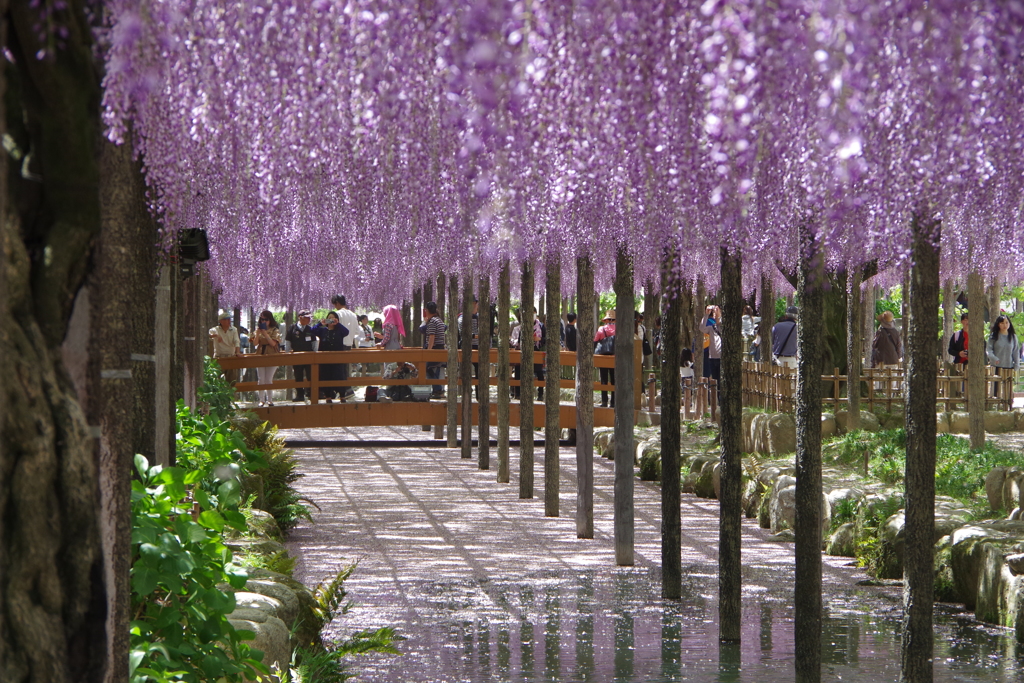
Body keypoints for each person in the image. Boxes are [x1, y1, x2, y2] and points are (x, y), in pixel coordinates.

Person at [313, 311, 348, 402]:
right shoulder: (322, 330)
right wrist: (320, 323)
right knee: (326, 376)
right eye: (329, 318)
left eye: (333, 318)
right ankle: (328, 396)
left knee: (340, 376)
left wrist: (338, 324)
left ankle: (342, 396)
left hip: (337, 358)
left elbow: (346, 332)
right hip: (325, 358)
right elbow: (312, 331)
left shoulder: (339, 330)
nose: (331, 320)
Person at [331, 295, 361, 399]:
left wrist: (323, 322)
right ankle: (344, 390)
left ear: (337, 303)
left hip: (338, 344)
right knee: (344, 368)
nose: (334, 307)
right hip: (349, 344)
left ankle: (346, 390)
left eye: (334, 304)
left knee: (338, 369)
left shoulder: (337, 314)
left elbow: (329, 326)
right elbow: (357, 332)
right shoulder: (353, 315)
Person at [285, 309, 316, 403]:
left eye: (309, 318)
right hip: (297, 356)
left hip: (309, 356)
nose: (309, 319)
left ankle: (311, 394)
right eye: (307, 317)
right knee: (298, 376)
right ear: (300, 317)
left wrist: (315, 353)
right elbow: (288, 341)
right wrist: (287, 353)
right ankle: (300, 395)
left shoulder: (310, 329)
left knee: (310, 375)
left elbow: (314, 342)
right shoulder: (292, 328)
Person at [986, 314, 1020, 399]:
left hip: (1009, 366)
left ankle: (1008, 403)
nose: (1005, 325)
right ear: (998, 324)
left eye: (1006, 322)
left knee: (1008, 387)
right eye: (1002, 323)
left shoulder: (1013, 337)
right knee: (995, 387)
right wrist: (994, 358)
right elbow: (988, 350)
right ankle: (995, 402)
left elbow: (1016, 352)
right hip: (996, 365)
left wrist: (1016, 364)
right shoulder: (993, 336)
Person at [252, 310, 281, 406]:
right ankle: (261, 400)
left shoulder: (275, 330)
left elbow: (273, 343)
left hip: (272, 355)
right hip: (260, 354)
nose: (264, 321)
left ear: (270, 320)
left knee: (268, 379)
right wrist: (257, 334)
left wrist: (265, 334)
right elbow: (255, 343)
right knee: (261, 379)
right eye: (262, 319)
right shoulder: (258, 330)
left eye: (266, 319)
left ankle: (270, 400)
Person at [208, 311, 241, 384]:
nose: (229, 321)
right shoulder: (216, 329)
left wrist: (238, 352)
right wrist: (216, 336)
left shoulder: (234, 329)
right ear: (221, 321)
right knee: (216, 380)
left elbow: (236, 341)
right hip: (219, 357)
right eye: (227, 319)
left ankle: (231, 391)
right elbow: (208, 334)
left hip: (230, 357)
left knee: (232, 381)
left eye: (229, 319)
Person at [423, 301, 447, 398]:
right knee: (433, 368)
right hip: (440, 348)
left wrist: (429, 351)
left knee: (427, 367)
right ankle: (438, 390)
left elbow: (432, 336)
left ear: (427, 310)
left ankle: (438, 390)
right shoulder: (439, 320)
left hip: (435, 348)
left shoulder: (432, 321)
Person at [594, 310, 616, 407]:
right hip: (614, 357)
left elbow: (595, 341)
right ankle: (613, 402)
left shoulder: (601, 329)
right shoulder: (619, 329)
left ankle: (604, 401)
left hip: (603, 356)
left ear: (606, 320)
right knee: (614, 380)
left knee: (604, 379)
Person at [699, 305, 723, 385]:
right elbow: (702, 328)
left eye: (717, 311)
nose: (715, 313)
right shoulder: (711, 328)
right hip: (712, 358)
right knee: (714, 381)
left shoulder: (724, 327)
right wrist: (706, 314)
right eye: (714, 312)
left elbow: (720, 326)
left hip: (721, 358)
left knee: (721, 381)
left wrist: (718, 316)